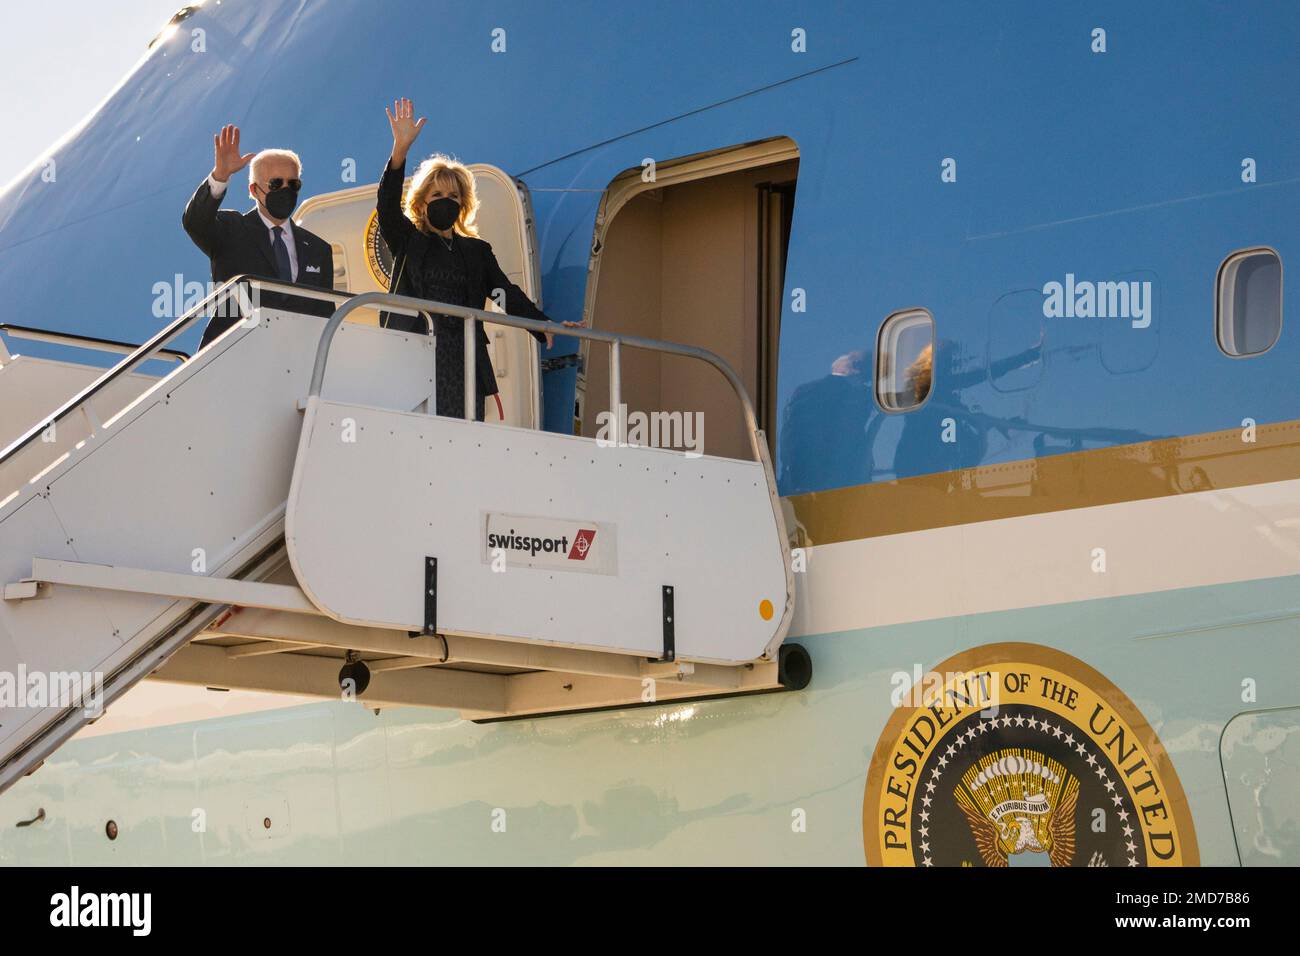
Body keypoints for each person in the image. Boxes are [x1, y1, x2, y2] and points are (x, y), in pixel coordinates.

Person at [378, 98, 578, 420]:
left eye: (454, 196)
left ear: (464, 203)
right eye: (437, 196)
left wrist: (541, 324)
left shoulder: (476, 251)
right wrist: (400, 151)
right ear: (421, 203)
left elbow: (503, 293)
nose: (446, 202)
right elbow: (387, 208)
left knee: (464, 434)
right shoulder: (408, 241)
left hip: (466, 355)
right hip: (418, 352)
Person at [183, 125, 334, 348]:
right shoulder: (231, 229)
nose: (286, 190)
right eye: (275, 184)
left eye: (293, 184)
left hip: (298, 363)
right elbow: (195, 222)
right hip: (234, 358)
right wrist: (220, 176)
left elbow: (325, 317)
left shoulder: (319, 249)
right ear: (254, 190)